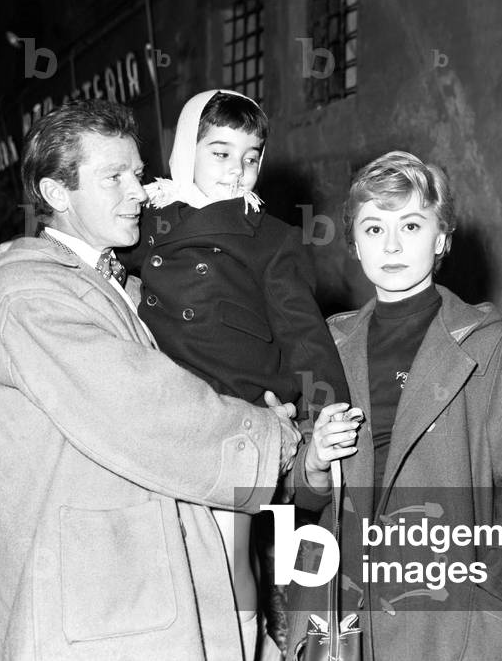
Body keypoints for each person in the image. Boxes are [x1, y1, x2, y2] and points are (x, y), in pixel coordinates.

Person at [0, 99, 311, 660]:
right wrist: (274, 438)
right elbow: (143, 408)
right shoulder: (31, 297)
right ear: (58, 194)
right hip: (89, 609)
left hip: (133, 587)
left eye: (135, 172)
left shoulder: (112, 284)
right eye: (112, 177)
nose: (137, 189)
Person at [284, 151, 502, 661]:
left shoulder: (490, 346)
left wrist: (493, 588)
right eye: (373, 229)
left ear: (441, 238)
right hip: (345, 608)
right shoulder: (329, 343)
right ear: (353, 243)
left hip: (455, 612)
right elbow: (303, 496)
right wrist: (314, 462)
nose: (390, 245)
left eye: (410, 225)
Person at [126, 88, 349, 658]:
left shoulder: (270, 238)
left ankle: (247, 648)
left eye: (251, 157)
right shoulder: (146, 221)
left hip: (238, 417)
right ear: (185, 150)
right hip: (160, 415)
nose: (237, 170)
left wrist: (328, 412)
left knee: (228, 556)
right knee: (165, 563)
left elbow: (305, 331)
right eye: (220, 152)